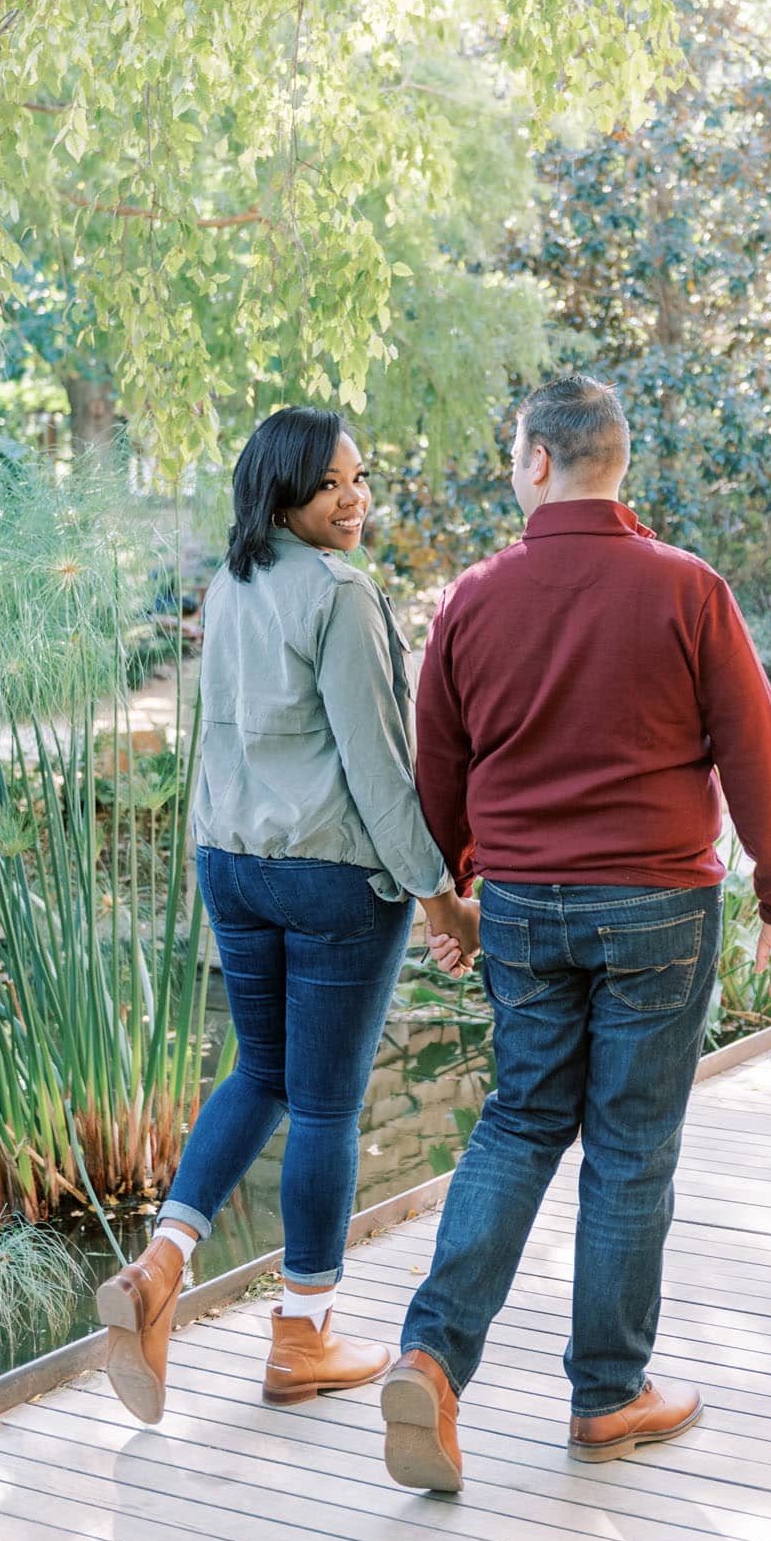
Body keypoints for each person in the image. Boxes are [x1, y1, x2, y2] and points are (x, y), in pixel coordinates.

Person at [379, 376, 771, 1491]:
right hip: (659, 905)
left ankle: (430, 1356)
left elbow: (441, 772)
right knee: (628, 1147)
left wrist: (450, 897)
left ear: (534, 462)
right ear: (616, 463)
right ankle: (607, 1396)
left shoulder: (472, 599)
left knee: (519, 1123)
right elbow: (753, 754)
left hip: (523, 905)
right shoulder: (687, 589)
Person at [96, 407, 479, 1424]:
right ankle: (302, 1339)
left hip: (231, 862)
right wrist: (437, 888)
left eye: (359, 477)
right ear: (281, 496)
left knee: (259, 1070)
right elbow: (375, 763)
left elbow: (215, 740)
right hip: (328, 876)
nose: (353, 499)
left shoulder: (230, 583)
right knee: (322, 1105)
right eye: (329, 487)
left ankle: (159, 1264)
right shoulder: (340, 596)